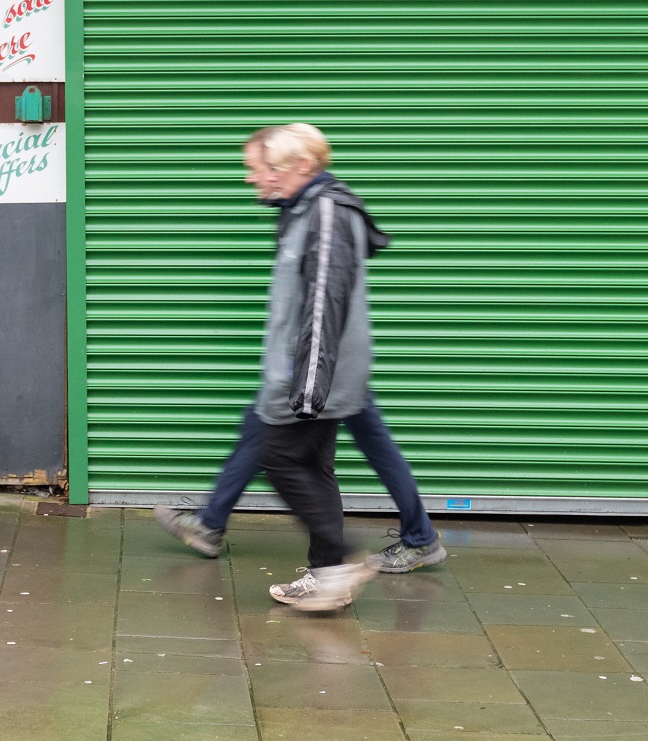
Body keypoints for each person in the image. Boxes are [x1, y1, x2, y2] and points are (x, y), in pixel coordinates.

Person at [156, 125, 446, 584]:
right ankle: (226, 527)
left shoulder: (326, 212)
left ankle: (349, 560)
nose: (255, 178)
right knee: (296, 442)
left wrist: (307, 389)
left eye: (265, 169)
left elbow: (323, 304)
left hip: (320, 373)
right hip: (317, 369)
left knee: (287, 455)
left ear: (303, 167)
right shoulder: (301, 208)